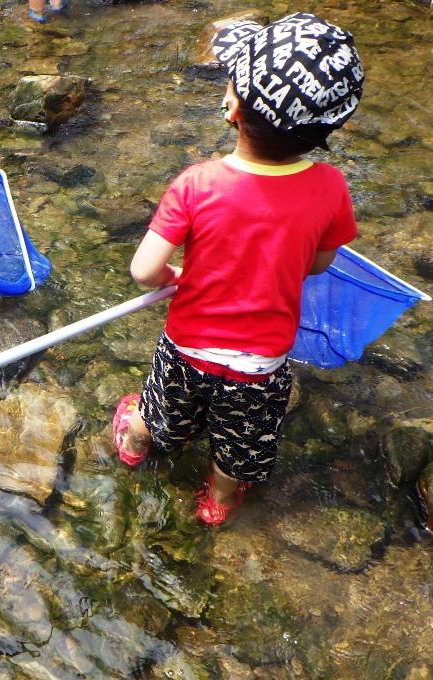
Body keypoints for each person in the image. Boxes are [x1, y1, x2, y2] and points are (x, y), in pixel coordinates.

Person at [112, 13, 364, 526]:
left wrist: (173, 278)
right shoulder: (331, 187)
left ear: (233, 108)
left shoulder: (196, 183)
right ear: (325, 132)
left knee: (164, 410)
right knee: (240, 441)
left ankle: (137, 441)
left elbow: (144, 270)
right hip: (261, 364)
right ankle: (218, 503)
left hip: (188, 346)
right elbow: (319, 263)